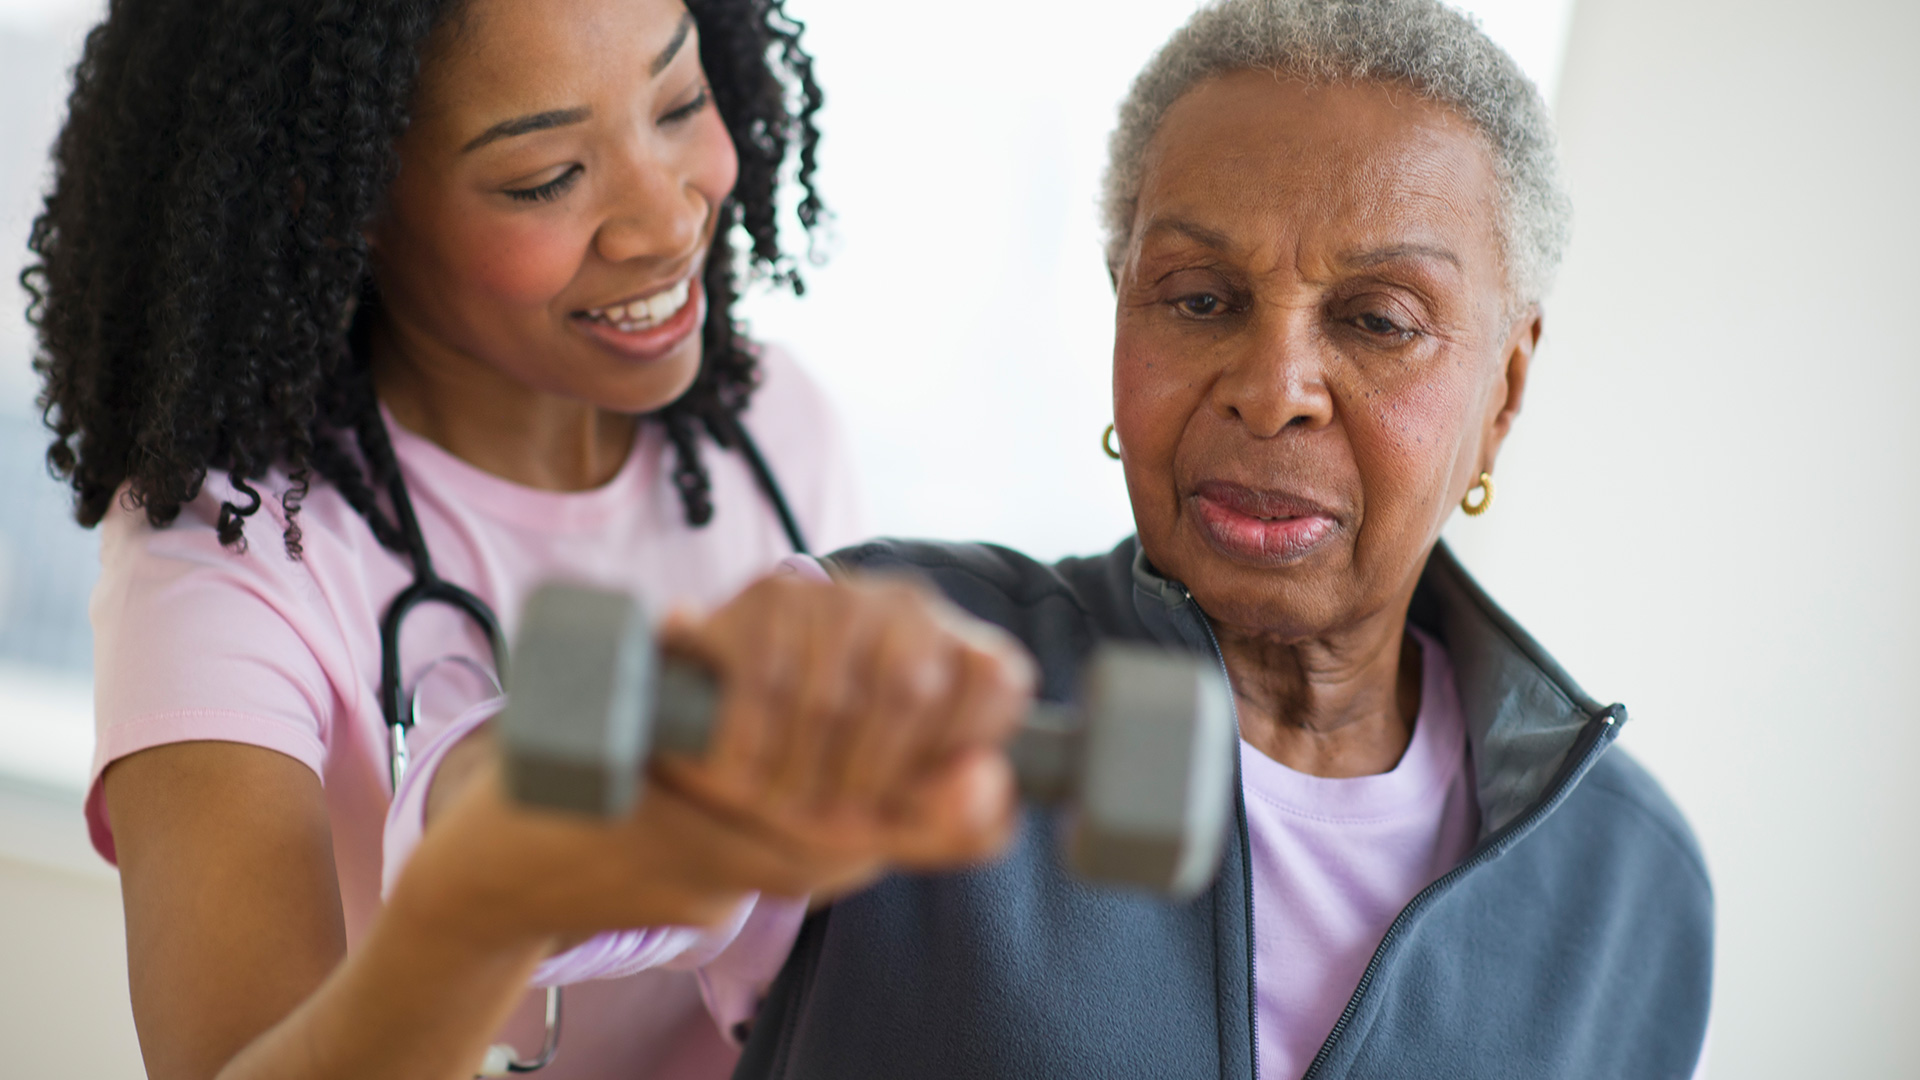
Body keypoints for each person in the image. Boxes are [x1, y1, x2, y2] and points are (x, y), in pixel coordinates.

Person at [386, 1, 1714, 1077]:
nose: (1273, 387)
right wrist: (690, 739)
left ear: (1508, 390)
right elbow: (473, 837)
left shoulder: (1633, 890)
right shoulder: (894, 649)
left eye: (1377, 319)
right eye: (1199, 298)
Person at [20, 0, 911, 1075]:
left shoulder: (776, 427)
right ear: (341, 200)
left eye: (680, 102)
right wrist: (480, 911)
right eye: (546, 176)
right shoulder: (231, 551)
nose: (667, 221)